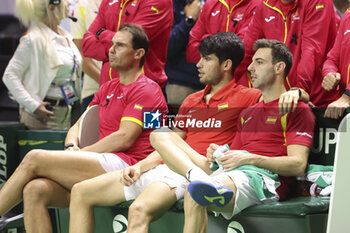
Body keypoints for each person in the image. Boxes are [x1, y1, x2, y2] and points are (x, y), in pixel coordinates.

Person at [68, 32, 261, 233]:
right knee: (81, 191)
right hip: (169, 167)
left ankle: (196, 177)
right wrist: (140, 166)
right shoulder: (191, 100)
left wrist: (297, 93)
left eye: (207, 59)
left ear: (226, 65)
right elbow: (170, 143)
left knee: (138, 209)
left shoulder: (249, 97)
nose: (198, 64)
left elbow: (277, 99)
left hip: (202, 170)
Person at [0, 23, 167, 233]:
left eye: (120, 45)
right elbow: (78, 124)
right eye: (111, 44)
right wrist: (71, 146)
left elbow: (124, 138)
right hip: (100, 161)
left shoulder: (147, 90)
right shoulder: (108, 87)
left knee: (34, 157)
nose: (111, 50)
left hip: (128, 164)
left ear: (138, 53)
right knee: (35, 189)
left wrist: (83, 153)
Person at [150, 39, 315, 232]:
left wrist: (249, 159)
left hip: (265, 179)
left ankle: (206, 184)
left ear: (279, 67)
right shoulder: (248, 113)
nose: (251, 68)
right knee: (159, 134)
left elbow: (297, 165)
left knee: (194, 192)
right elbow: (236, 153)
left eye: (259, 62)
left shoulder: (297, 110)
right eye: (252, 62)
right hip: (233, 171)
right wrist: (220, 153)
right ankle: (198, 177)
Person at [237, 0, 337, 106]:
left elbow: (311, 50)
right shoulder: (265, 4)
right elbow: (247, 49)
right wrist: (224, 84)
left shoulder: (318, 1)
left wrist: (299, 91)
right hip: (283, 98)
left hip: (318, 97)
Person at [2, 0, 82, 130]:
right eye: (64, 1)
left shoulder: (65, 36)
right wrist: (33, 105)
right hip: (44, 116)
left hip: (67, 112)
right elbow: (9, 75)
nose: (69, 3)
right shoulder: (33, 39)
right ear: (51, 8)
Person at [81, 0, 173, 88]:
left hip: (143, 90)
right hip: (108, 91)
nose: (113, 49)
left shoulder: (159, 1)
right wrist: (118, 48)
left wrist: (102, 33)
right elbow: (86, 44)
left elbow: (132, 39)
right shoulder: (108, 1)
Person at [186, 0, 259, 66]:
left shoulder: (257, 5)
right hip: (211, 77)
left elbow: (240, 53)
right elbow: (192, 53)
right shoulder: (211, 3)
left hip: (241, 78)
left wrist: (205, 39)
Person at [165, 0, 205, 104]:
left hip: (211, 84)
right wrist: (189, 20)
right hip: (180, 83)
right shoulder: (169, 4)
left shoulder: (215, 3)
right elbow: (168, 47)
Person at [70, 0, 102, 112]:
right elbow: (79, 54)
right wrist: (108, 82)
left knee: (149, 128)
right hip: (94, 90)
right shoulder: (83, 6)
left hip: (136, 88)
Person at [322, 8, 350, 119]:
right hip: (342, 107)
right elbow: (332, 59)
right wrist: (329, 72)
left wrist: (347, 96)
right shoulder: (347, 16)